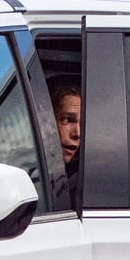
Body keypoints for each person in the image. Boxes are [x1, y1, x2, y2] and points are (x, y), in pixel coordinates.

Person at [48, 78, 82, 207]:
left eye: (82, 124)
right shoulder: (29, 168)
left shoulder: (81, 181)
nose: (77, 133)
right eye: (67, 120)